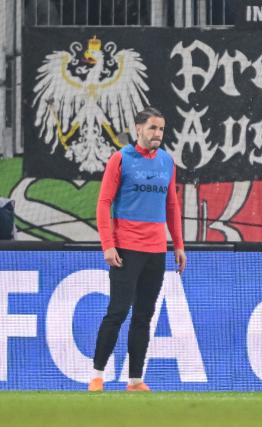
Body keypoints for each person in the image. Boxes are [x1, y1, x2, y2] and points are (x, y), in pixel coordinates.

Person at [88, 107, 186, 392]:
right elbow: (103, 203)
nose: (158, 134)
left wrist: (178, 245)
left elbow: (171, 205)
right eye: (153, 128)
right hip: (126, 249)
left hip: (156, 250)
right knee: (117, 311)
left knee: (144, 315)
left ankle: (135, 380)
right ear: (138, 129)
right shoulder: (120, 159)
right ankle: (96, 375)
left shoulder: (167, 162)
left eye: (161, 129)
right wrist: (108, 244)